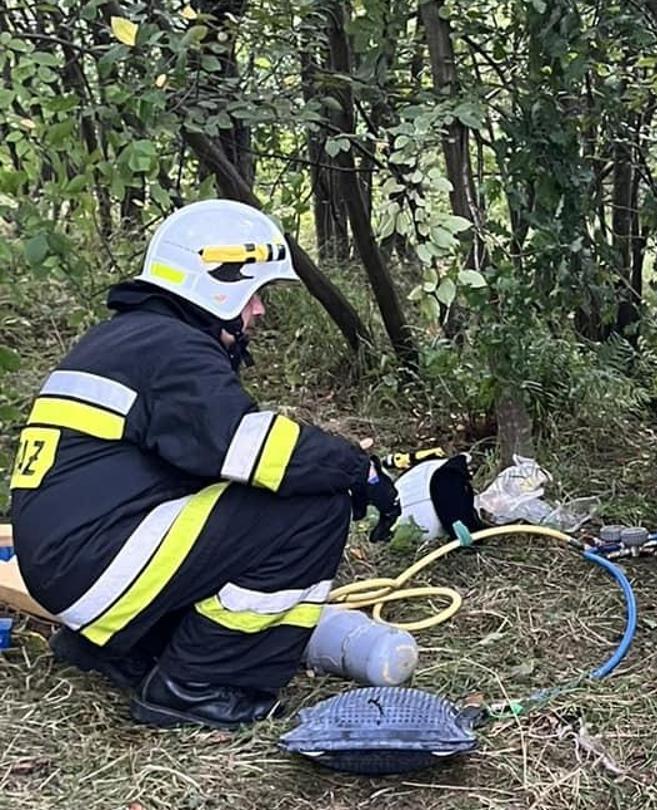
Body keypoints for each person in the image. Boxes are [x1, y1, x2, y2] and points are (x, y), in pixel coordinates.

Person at [7, 200, 400, 729]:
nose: (259, 310)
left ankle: (116, 647)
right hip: (95, 564)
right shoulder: (173, 347)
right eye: (256, 292)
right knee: (312, 509)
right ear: (219, 281)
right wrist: (358, 471)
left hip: (71, 563)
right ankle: (198, 685)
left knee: (228, 505)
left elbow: (192, 461)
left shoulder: (126, 339)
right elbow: (249, 448)